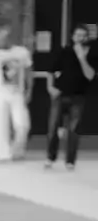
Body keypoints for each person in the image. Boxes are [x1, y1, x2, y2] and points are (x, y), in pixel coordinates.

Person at [45, 24, 97, 171]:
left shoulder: (92, 55)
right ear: (73, 37)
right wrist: (50, 87)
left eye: (83, 35)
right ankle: (50, 157)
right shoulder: (65, 52)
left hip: (78, 96)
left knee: (73, 130)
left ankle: (70, 161)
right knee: (53, 126)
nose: (80, 38)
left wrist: (82, 58)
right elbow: (51, 70)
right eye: (77, 35)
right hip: (60, 94)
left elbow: (90, 75)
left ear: (87, 38)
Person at [0, 25, 32, 161]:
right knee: (0, 124)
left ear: (7, 39)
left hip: (17, 92)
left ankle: (17, 150)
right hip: (0, 93)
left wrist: (29, 90)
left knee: (22, 124)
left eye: (1, 40)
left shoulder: (22, 52)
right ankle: (3, 154)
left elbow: (29, 73)